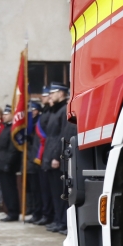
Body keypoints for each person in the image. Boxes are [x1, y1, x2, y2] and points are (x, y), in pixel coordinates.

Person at [41, 82, 70, 234]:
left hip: (57, 156)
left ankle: (63, 222)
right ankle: (58, 220)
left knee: (61, 193)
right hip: (50, 155)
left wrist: (57, 156)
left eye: (53, 93)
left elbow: (62, 136)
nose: (50, 96)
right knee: (54, 192)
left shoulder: (64, 111)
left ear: (61, 93)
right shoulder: (54, 112)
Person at [0, 105, 21, 222]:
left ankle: (13, 212)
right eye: (3, 114)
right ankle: (10, 211)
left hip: (7, 166)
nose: (4, 116)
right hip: (1, 165)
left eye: (7, 114)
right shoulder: (6, 128)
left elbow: (13, 149)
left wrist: (7, 164)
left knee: (10, 190)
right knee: (6, 190)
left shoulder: (13, 129)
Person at [31, 88, 54, 226]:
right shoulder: (46, 112)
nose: (44, 98)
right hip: (41, 155)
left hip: (47, 154)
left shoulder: (50, 112)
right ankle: (45, 214)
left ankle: (49, 215)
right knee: (42, 189)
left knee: (48, 190)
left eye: (47, 96)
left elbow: (48, 136)